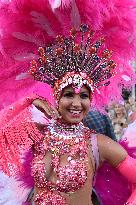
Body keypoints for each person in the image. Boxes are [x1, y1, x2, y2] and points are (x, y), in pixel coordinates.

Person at [0, 23, 136, 205]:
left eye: (84, 96)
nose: (76, 103)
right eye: (69, 95)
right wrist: (29, 101)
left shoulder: (99, 144)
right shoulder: (38, 135)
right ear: (57, 97)